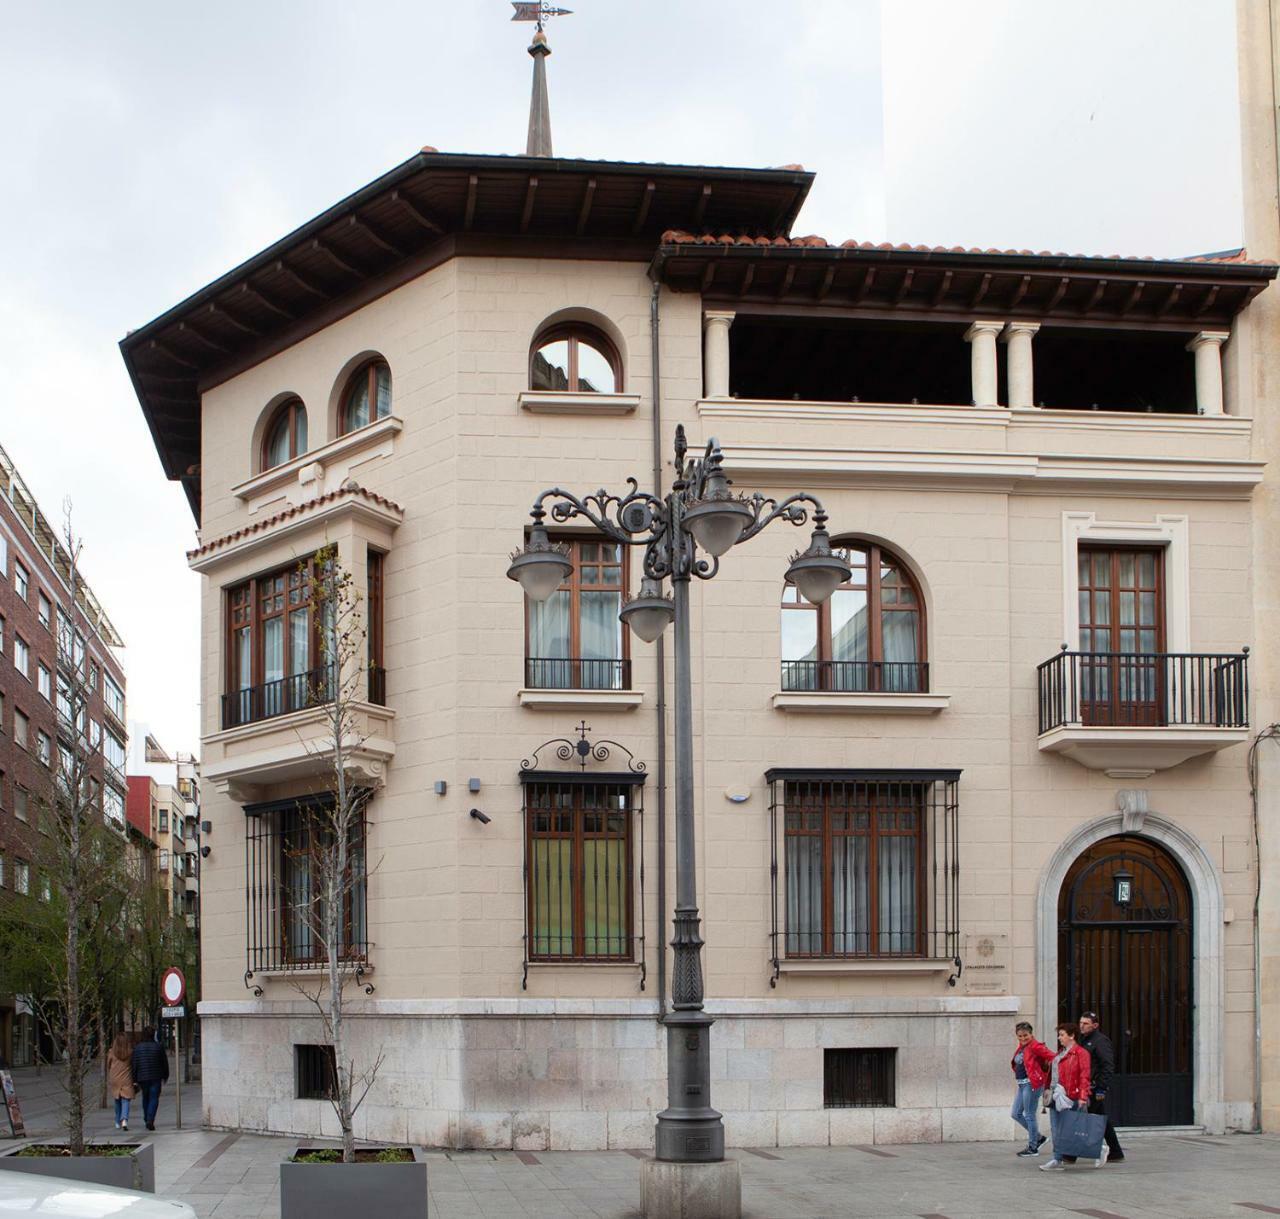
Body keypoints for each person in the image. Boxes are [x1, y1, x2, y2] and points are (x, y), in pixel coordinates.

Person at [1038, 1021, 1095, 1171]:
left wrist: (1083, 1095)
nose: (1059, 1038)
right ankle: (1057, 1159)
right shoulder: (1060, 1053)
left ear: (1072, 1036)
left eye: (1062, 1035)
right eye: (1059, 1035)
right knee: (1056, 1129)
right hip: (1056, 1095)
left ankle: (1099, 1148)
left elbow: (1085, 1075)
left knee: (1075, 1131)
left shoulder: (1081, 1053)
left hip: (1072, 1096)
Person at [1077, 1011, 1125, 1164]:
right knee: (1100, 1120)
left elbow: (1107, 1066)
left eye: (1086, 1024)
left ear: (1095, 1025)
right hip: (1086, 1086)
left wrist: (1101, 1088)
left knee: (1085, 1119)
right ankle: (1115, 1152)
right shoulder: (1083, 1040)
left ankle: (1072, 1154)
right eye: (1081, 1023)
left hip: (1094, 1087)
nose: (1082, 1026)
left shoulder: (1100, 1041)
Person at [1010, 1021, 1050, 1156]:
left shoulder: (1036, 1046)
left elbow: (1052, 1057)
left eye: (1025, 1036)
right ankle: (1039, 1138)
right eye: (1020, 1036)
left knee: (1029, 1115)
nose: (1022, 1039)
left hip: (1032, 1084)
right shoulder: (1022, 1047)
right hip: (1022, 1084)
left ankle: (1033, 1147)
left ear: (1031, 1034)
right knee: (1016, 1113)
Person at [130, 1025, 169, 1131]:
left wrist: (134, 1079)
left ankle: (147, 1117)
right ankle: (150, 1119)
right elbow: (164, 1062)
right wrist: (165, 1075)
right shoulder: (158, 1047)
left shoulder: (137, 1048)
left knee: (145, 1097)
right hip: (156, 1076)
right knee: (154, 1098)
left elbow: (134, 1064)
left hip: (142, 1077)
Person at [107, 1032, 135, 1132]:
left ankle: (117, 1121)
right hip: (126, 1077)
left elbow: (108, 1064)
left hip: (114, 1078)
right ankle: (124, 1120)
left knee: (117, 1099)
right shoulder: (130, 1052)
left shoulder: (111, 1052)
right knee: (126, 1100)